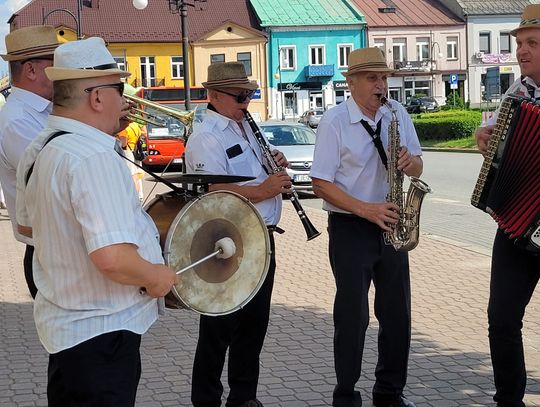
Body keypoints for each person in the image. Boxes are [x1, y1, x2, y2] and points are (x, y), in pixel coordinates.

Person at [15, 37, 177, 406]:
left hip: (69, 333)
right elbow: (113, 258)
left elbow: (26, 227)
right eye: (119, 89)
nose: (125, 99)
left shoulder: (41, 146)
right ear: (97, 97)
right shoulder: (92, 156)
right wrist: (158, 278)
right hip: (103, 335)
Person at [310, 48, 423, 407]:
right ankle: (346, 394)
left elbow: (419, 166)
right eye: (373, 78)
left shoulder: (397, 112)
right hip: (350, 226)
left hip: (392, 222)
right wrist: (365, 209)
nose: (381, 85)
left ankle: (389, 392)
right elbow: (320, 183)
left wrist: (410, 163)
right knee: (353, 316)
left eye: (384, 77)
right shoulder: (334, 121)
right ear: (352, 82)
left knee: (397, 314)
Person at [184, 61, 291, 407]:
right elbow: (213, 191)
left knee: (254, 325)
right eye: (240, 95)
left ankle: (244, 398)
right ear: (214, 96)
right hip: (227, 243)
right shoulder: (206, 137)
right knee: (218, 330)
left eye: (250, 94)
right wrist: (264, 190)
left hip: (261, 239)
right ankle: (206, 401)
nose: (247, 101)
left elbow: (253, 176)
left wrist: (276, 163)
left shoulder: (245, 127)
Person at [475, 5, 540, 407]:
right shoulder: (516, 95)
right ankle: (509, 399)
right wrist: (487, 139)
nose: (522, 51)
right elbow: (500, 155)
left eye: (532, 43)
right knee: (501, 318)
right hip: (517, 224)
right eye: (519, 43)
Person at [0, 25, 59, 298]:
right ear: (31, 70)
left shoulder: (45, 112)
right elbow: (55, 177)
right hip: (49, 252)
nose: (62, 72)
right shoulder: (17, 121)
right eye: (55, 64)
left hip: (58, 248)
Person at [116, 121, 145, 200]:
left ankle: (133, 197)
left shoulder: (125, 128)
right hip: (134, 151)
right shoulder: (136, 125)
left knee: (132, 176)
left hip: (127, 152)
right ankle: (138, 196)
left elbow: (124, 143)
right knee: (136, 176)